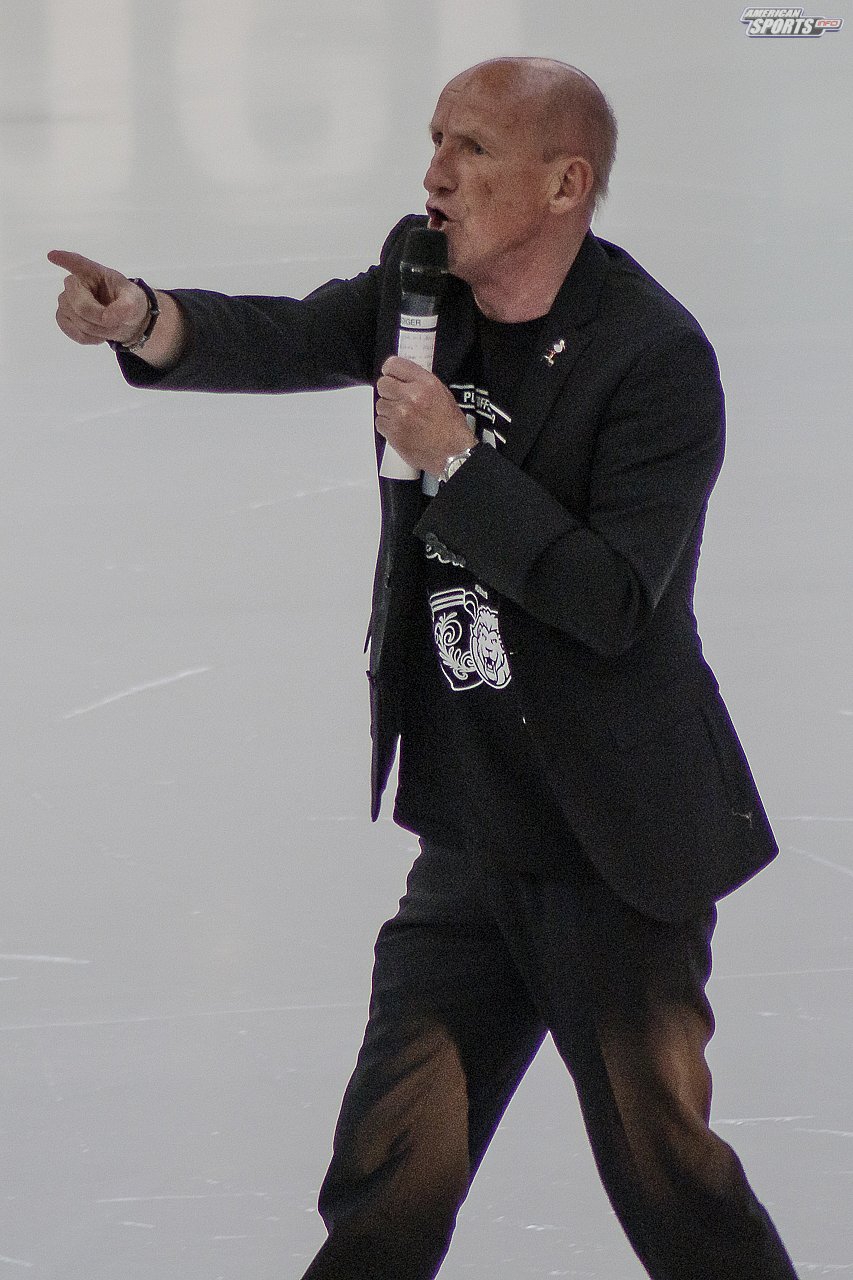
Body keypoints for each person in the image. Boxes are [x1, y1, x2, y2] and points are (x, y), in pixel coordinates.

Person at [49, 55, 799, 1280]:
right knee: (388, 1175)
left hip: (615, 844)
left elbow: (613, 601)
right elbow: (293, 331)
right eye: (436, 139)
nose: (434, 174)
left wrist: (457, 462)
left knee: (672, 1187)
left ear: (565, 185)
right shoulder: (420, 282)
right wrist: (144, 316)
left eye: (471, 149)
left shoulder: (652, 358)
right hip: (474, 824)